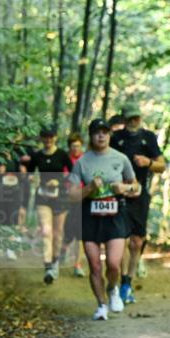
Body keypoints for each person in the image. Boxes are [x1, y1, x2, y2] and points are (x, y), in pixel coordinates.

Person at [69, 119, 141, 320]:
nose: (101, 136)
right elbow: (72, 196)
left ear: (110, 135)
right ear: (91, 136)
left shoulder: (121, 158)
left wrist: (124, 188)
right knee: (94, 265)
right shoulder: (82, 162)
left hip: (115, 214)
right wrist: (89, 188)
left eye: (105, 132)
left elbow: (137, 187)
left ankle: (113, 288)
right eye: (96, 132)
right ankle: (101, 305)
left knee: (113, 264)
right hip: (89, 215)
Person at [110, 102, 164, 303]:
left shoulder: (148, 137)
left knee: (136, 241)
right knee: (119, 240)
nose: (134, 121)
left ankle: (127, 283)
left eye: (137, 118)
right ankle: (117, 283)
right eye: (130, 118)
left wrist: (148, 162)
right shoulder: (116, 139)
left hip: (141, 195)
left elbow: (162, 165)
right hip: (119, 195)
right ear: (124, 120)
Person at [26, 124, 73, 284]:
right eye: (45, 136)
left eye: (51, 136)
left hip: (60, 197)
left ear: (55, 138)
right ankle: (47, 266)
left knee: (58, 233)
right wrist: (32, 178)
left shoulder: (62, 155)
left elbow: (73, 173)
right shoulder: (37, 156)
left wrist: (60, 181)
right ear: (41, 138)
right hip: (43, 197)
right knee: (46, 231)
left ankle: (55, 263)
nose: (48, 140)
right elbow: (29, 174)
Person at [0, 143, 28, 259]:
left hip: (14, 196)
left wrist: (23, 172)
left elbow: (24, 178)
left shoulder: (16, 160)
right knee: (0, 220)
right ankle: (0, 246)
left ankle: (10, 249)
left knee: (12, 221)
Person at [62, 133, 88, 277]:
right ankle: (62, 251)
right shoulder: (65, 160)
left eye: (78, 146)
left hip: (84, 199)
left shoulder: (87, 159)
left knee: (81, 234)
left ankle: (77, 265)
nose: (76, 148)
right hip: (67, 199)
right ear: (69, 147)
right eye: (73, 146)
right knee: (67, 231)